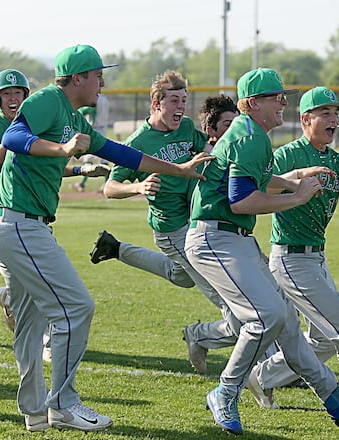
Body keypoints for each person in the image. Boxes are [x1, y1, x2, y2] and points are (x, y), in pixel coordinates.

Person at [0, 44, 211, 433]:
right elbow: (16, 137)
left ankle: (36, 411)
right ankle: (64, 404)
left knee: (29, 322)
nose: (102, 81)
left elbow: (125, 154)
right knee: (76, 307)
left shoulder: (75, 117)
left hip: (19, 223)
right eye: (97, 75)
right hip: (18, 223)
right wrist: (62, 148)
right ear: (77, 78)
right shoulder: (48, 100)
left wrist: (180, 169)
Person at [184, 68, 339, 435]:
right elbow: (241, 200)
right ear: (252, 103)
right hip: (216, 239)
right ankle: (226, 392)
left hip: (233, 237)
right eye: (276, 97)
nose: (283, 103)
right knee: (267, 316)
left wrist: (292, 179)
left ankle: (334, 399)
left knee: (288, 324)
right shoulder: (248, 135)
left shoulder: (250, 133)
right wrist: (297, 195)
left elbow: (255, 180)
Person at [244, 86, 339, 423]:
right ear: (305, 119)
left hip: (316, 258)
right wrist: (295, 181)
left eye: (336, 112)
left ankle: (263, 376)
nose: (334, 118)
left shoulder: (338, 161)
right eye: (325, 113)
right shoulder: (287, 155)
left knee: (323, 341)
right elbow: (261, 185)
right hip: (290, 259)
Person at [89, 73, 241, 376]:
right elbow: (109, 188)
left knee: (180, 276)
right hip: (173, 230)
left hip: (196, 221)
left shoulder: (185, 128)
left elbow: (209, 151)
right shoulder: (138, 142)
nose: (181, 106)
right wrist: (138, 187)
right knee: (226, 294)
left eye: (184, 100)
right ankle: (212, 339)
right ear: (156, 103)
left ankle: (116, 249)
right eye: (174, 100)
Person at [0, 69, 109, 334]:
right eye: (6, 94)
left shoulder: (35, 123)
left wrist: (81, 170)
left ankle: (17, 309)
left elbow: (46, 165)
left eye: (18, 93)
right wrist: (13, 141)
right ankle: (46, 338)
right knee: (31, 286)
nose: (13, 98)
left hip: (22, 209)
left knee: (26, 286)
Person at [73, 92, 111, 192]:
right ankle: (107, 184)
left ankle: (82, 183)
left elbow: (88, 110)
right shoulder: (105, 98)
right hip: (103, 127)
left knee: (88, 157)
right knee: (103, 157)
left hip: (94, 129)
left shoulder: (95, 98)